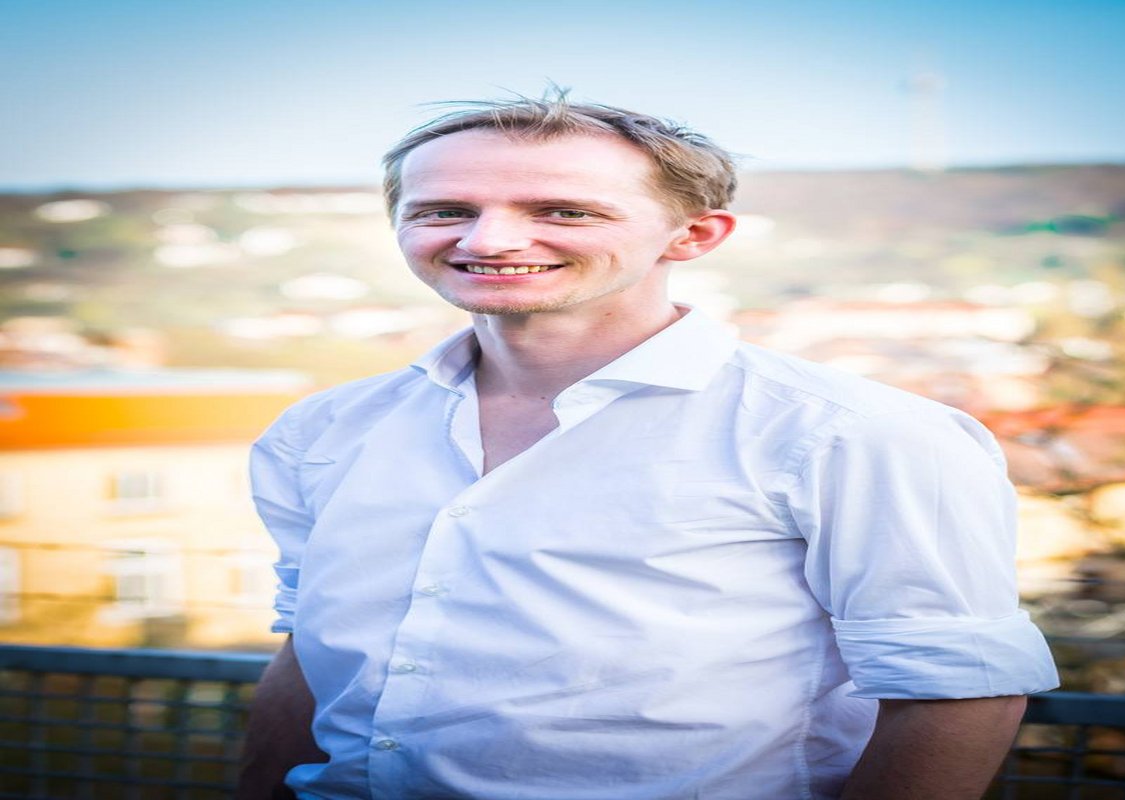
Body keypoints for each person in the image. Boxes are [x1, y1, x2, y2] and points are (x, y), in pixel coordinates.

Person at [238, 91, 1059, 800]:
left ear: (693, 236)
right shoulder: (323, 431)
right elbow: (309, 659)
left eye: (563, 211)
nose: (488, 241)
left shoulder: (851, 433)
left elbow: (959, 695)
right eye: (443, 210)